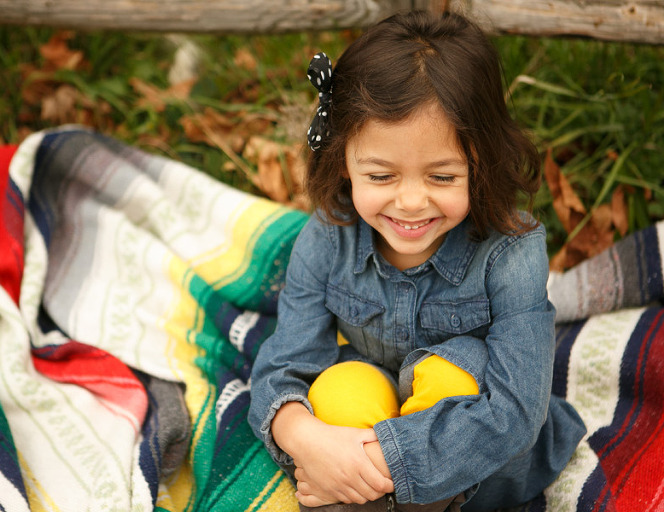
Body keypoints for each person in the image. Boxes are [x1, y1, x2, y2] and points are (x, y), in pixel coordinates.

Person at [247, 9, 586, 512]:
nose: (409, 202)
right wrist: (305, 440)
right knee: (340, 388)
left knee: (454, 371)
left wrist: (389, 466)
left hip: (479, 462)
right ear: (344, 160)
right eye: (381, 176)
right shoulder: (327, 235)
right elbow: (283, 364)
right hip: (363, 439)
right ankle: (359, 487)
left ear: (481, 164)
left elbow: (517, 410)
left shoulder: (512, 252)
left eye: (442, 177)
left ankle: (380, 498)